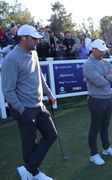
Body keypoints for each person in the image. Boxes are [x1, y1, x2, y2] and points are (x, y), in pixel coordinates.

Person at [1, 24, 57, 180]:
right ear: (23, 38)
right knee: (29, 143)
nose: (37, 42)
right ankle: (34, 173)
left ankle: (28, 170)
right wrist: (21, 109)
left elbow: (39, 76)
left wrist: (49, 94)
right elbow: (8, 90)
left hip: (39, 105)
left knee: (51, 135)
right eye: (34, 39)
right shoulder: (11, 59)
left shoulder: (34, 53)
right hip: (24, 108)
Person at [83, 39, 112, 166]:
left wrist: (105, 76)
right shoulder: (88, 64)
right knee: (95, 127)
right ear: (93, 50)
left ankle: (106, 148)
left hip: (107, 98)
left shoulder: (105, 61)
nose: (103, 53)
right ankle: (93, 154)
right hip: (96, 100)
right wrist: (107, 77)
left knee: (105, 125)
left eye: (104, 50)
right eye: (100, 51)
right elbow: (99, 82)